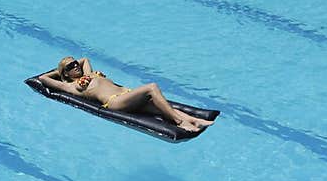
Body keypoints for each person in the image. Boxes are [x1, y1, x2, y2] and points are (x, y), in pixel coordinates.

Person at [39, 57, 210, 134]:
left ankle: (194, 120)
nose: (76, 66)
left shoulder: (88, 73)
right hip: (115, 102)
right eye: (70, 67)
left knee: (159, 106)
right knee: (151, 87)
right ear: (66, 74)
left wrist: (71, 65)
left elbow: (84, 59)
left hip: (126, 95)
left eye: (75, 63)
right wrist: (60, 72)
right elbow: (42, 78)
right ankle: (181, 123)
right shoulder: (70, 86)